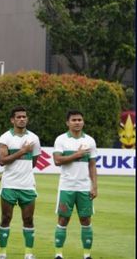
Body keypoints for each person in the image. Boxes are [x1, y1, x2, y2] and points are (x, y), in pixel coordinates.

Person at [0, 106, 41, 259]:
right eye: (18, 117)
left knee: (28, 219)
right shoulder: (5, 137)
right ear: (12, 120)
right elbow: (2, 161)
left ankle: (29, 254)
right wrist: (22, 151)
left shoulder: (34, 138)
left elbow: (33, 162)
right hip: (9, 185)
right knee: (5, 218)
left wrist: (22, 166)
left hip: (27, 185)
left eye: (24, 117)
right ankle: (2, 254)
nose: (22, 119)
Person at [52, 110, 98, 259]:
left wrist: (94, 186)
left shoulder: (90, 141)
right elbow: (57, 160)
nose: (77, 122)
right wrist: (76, 155)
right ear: (68, 123)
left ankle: (87, 255)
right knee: (63, 219)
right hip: (66, 187)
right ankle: (58, 254)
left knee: (86, 219)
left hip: (84, 187)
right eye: (74, 120)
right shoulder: (61, 140)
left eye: (79, 120)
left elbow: (92, 165)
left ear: (83, 122)